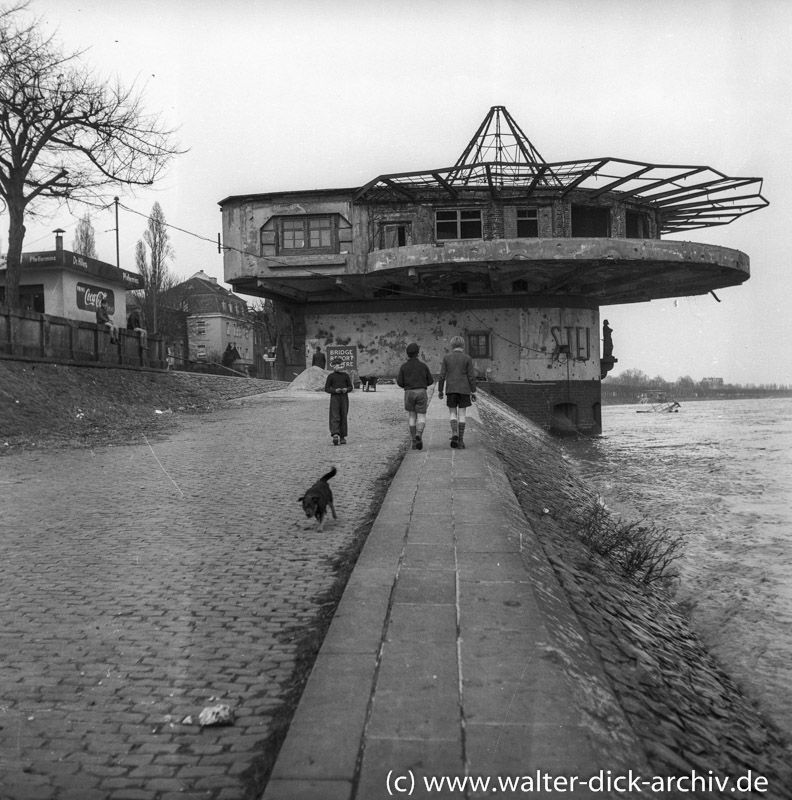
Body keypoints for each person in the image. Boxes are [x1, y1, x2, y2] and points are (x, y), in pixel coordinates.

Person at [437, 335, 477, 449]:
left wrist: (440, 390)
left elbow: (442, 376)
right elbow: (471, 376)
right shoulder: (467, 358)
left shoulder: (446, 358)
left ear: (452, 346)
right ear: (463, 346)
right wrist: (473, 391)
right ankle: (461, 441)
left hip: (451, 389)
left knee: (453, 413)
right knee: (462, 414)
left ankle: (454, 432)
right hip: (464, 390)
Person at [396, 342, 434, 450]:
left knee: (412, 416)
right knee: (421, 416)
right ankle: (419, 433)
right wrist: (422, 384)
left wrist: (407, 385)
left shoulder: (404, 367)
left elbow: (399, 382)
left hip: (409, 393)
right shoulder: (423, 366)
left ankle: (413, 441)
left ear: (407, 354)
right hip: (421, 392)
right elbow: (430, 381)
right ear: (418, 353)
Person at [324, 357, 353, 445]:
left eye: (341, 365)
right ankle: (335, 434)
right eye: (338, 365)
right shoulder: (331, 376)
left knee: (343, 415)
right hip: (335, 398)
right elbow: (326, 388)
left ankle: (343, 436)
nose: (340, 367)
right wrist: (334, 391)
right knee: (334, 416)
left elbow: (351, 387)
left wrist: (346, 389)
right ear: (334, 366)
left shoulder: (346, 376)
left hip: (344, 398)